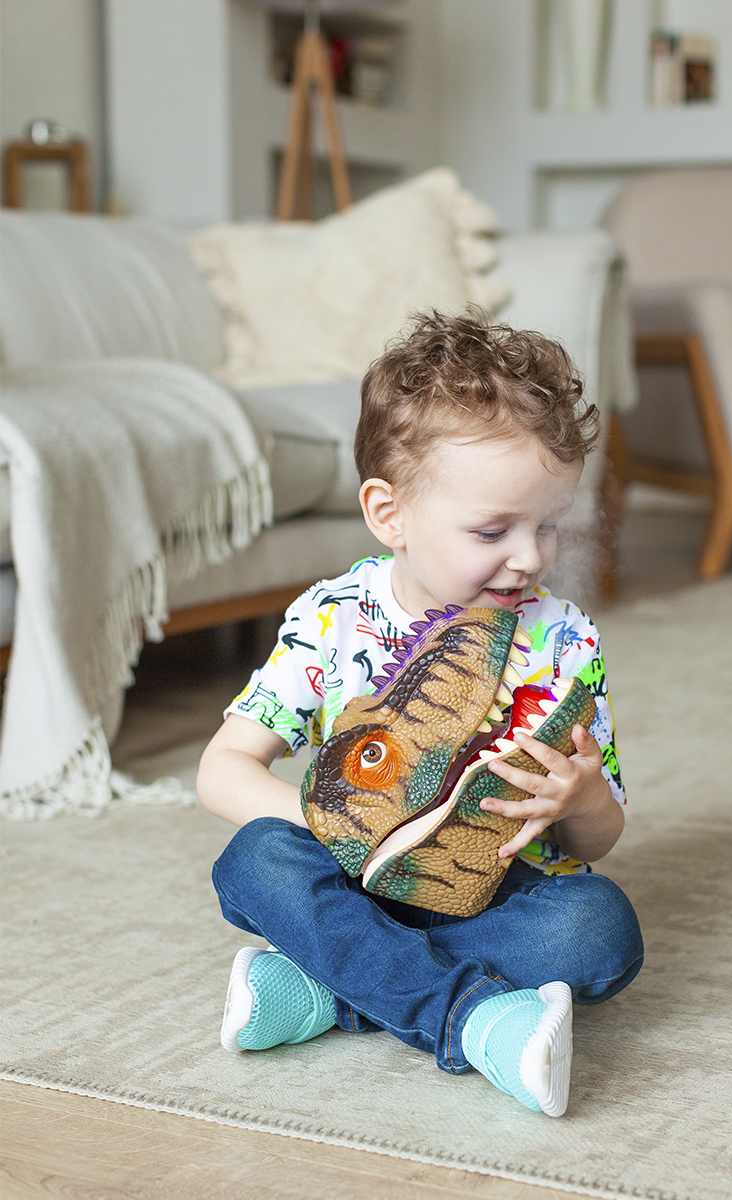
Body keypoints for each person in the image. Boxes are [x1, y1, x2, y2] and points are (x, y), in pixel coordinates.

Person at [197, 312, 643, 1118]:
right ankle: (473, 1022)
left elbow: (599, 838)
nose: (532, 557)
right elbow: (222, 770)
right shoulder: (332, 618)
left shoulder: (564, 637)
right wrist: (335, 829)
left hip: (494, 887)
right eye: (492, 530)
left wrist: (582, 802)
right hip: (346, 877)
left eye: (549, 525)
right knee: (252, 861)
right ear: (388, 512)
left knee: (600, 932)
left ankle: (329, 987)